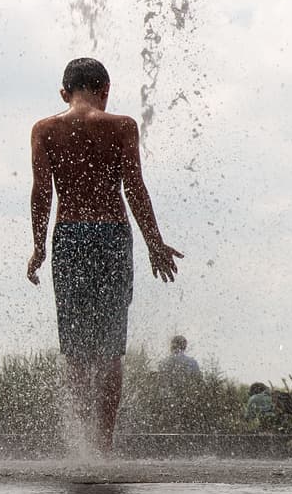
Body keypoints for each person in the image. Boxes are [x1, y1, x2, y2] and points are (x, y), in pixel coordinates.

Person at [27, 57, 182, 453]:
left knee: (77, 352)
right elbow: (135, 188)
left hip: (70, 236)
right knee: (111, 350)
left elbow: (42, 191)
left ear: (64, 92)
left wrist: (39, 245)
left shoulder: (45, 130)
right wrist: (154, 242)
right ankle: (103, 446)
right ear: (105, 91)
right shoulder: (122, 126)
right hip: (112, 235)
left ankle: (82, 448)